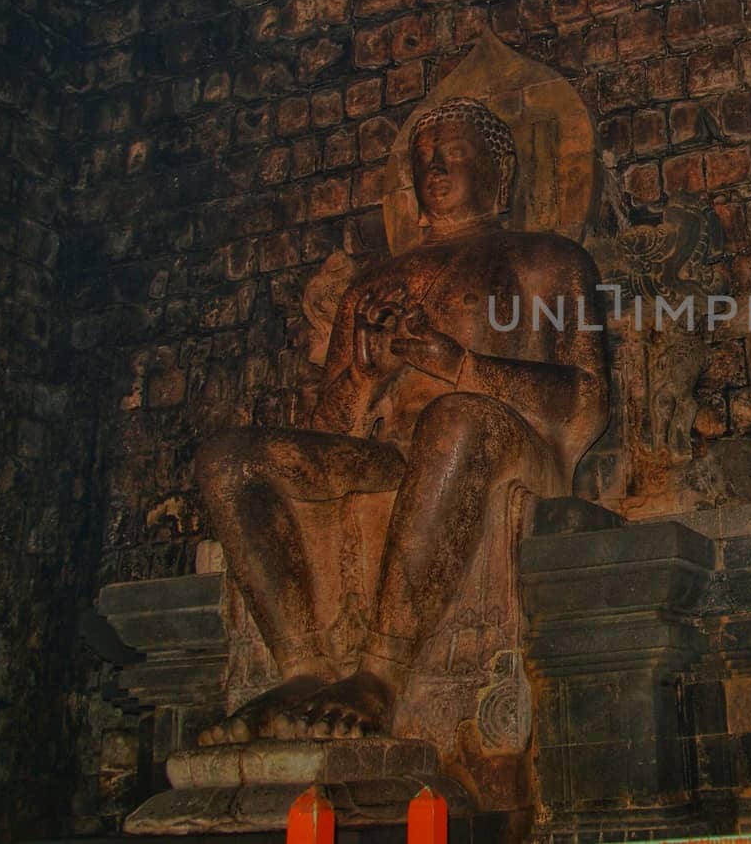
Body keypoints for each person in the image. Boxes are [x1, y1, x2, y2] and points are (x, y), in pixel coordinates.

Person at [196, 98, 607, 743]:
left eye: (453, 154)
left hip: (507, 442)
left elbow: (584, 399)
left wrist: (464, 366)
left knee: (454, 419)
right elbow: (329, 432)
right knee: (230, 459)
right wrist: (366, 372)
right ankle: (302, 669)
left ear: (500, 176)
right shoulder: (373, 285)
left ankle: (380, 675)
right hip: (397, 451)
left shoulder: (547, 261)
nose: (434, 167)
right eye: (422, 158)